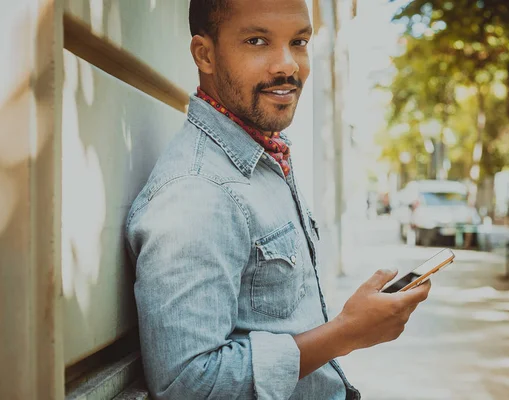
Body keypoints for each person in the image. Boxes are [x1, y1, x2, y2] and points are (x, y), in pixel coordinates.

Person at [125, 0, 431, 399]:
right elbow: (189, 384)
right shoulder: (197, 193)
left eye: (299, 41)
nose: (288, 65)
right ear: (205, 54)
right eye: (257, 41)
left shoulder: (264, 156)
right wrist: (346, 333)